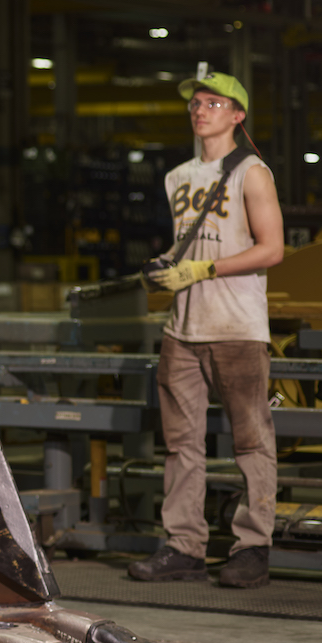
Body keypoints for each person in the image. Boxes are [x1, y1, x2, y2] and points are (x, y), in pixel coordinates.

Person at [128, 71, 284, 589]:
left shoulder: (252, 173)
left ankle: (252, 547)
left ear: (237, 115)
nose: (202, 110)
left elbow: (272, 249)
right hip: (183, 328)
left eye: (214, 103)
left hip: (237, 327)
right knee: (180, 446)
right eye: (196, 102)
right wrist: (168, 264)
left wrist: (205, 270)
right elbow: (191, 245)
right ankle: (184, 546)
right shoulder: (178, 177)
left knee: (251, 443)